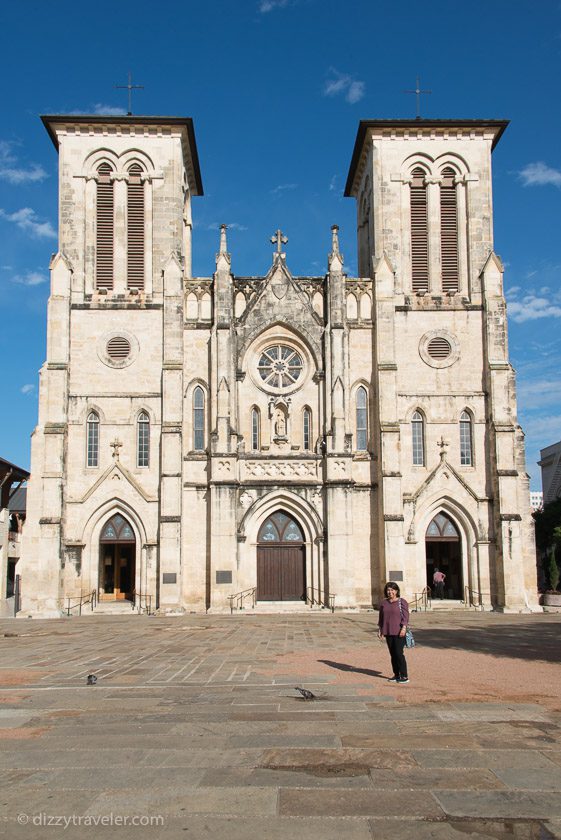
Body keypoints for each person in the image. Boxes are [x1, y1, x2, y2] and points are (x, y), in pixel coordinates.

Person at [378, 581, 409, 684]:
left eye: (392, 590)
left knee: (399, 653)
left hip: (399, 631)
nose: (390, 592)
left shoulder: (402, 602)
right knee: (392, 654)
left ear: (396, 591)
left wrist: (404, 628)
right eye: (388, 590)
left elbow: (406, 616)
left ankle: (404, 675)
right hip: (388, 631)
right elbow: (381, 617)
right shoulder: (384, 603)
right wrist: (380, 629)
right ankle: (396, 674)